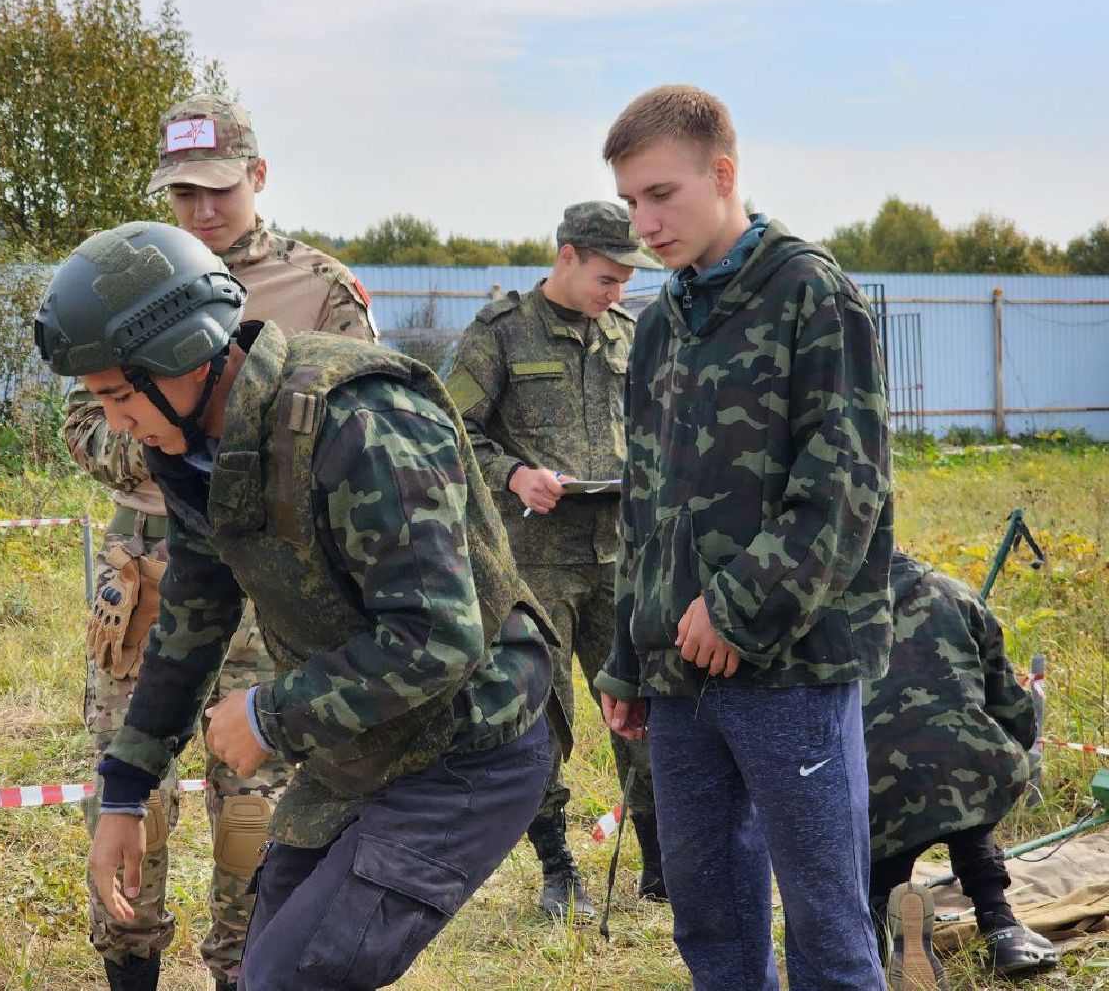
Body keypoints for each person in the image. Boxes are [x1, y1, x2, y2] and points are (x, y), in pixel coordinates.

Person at [35, 220, 567, 991]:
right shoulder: (197, 450)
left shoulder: (361, 423)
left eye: (118, 395)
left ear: (185, 356)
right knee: (266, 960)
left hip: (469, 744)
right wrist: (126, 790)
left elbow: (438, 636)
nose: (114, 424)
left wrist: (267, 716)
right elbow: (192, 617)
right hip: (362, 745)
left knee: (292, 976)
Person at [61, 93, 374, 991]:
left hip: (273, 580)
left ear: (258, 177)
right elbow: (83, 425)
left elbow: (361, 427)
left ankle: (247, 969)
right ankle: (130, 966)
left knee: (256, 812)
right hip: (152, 569)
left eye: (219, 190)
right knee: (133, 798)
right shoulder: (122, 282)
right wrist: (172, 442)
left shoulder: (321, 290)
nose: (201, 210)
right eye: (182, 193)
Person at [593, 84, 893, 989]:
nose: (643, 224)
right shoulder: (659, 326)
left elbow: (844, 490)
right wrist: (627, 659)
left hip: (789, 668)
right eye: (629, 201)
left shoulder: (811, 295)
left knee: (827, 927)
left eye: (661, 194)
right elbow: (644, 509)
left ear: (722, 175)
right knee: (710, 918)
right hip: (678, 678)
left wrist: (734, 610)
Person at [443, 201, 663, 919]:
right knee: (540, 716)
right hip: (534, 564)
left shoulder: (629, 334)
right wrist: (514, 476)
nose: (617, 292)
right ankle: (557, 867)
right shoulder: (501, 333)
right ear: (566, 257)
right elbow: (450, 432)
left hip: (622, 557)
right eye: (606, 277)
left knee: (646, 704)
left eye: (626, 280)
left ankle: (661, 862)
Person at [866, 550, 1057, 988]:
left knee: (882, 863)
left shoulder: (829, 610)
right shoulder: (954, 592)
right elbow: (1012, 707)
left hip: (877, 793)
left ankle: (882, 929)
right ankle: (1001, 927)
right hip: (970, 773)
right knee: (964, 793)